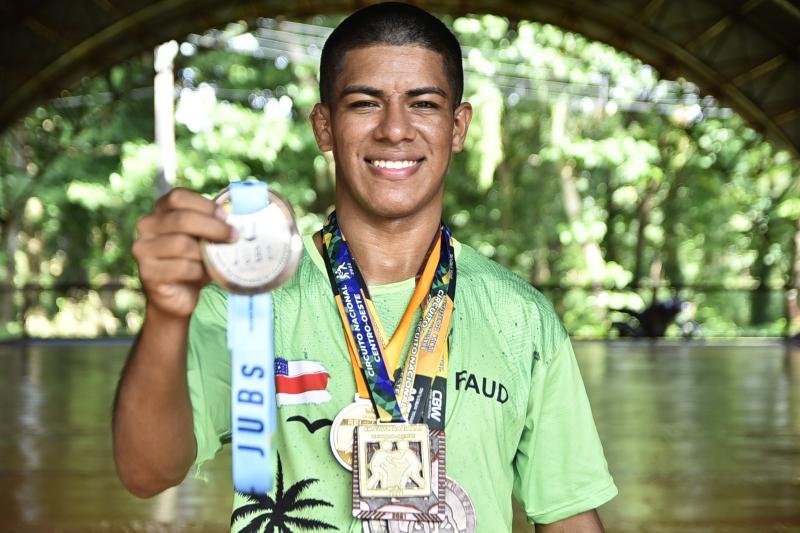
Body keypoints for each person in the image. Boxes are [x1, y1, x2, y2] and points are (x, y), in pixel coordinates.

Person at [112, 3, 618, 532]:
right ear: (325, 127)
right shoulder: (247, 300)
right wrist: (168, 314)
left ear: (458, 126)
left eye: (423, 103)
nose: (395, 129)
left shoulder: (521, 319)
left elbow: (568, 516)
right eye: (364, 104)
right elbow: (145, 473)